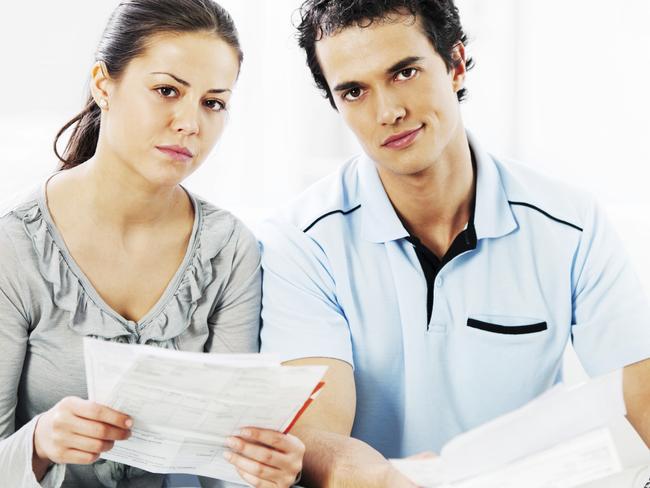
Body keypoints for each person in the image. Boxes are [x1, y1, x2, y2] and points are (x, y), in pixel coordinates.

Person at [258, 0, 650, 486]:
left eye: (404, 73)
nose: (388, 111)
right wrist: (384, 479)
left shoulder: (572, 225)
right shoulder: (299, 241)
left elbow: (643, 407)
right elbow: (316, 438)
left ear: (456, 65)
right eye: (355, 91)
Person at [0, 1, 304, 487]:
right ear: (104, 84)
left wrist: (265, 473)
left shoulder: (230, 250)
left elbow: (223, 466)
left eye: (213, 102)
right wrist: (39, 443)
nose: (190, 123)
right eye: (166, 91)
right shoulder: (13, 246)